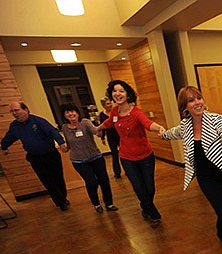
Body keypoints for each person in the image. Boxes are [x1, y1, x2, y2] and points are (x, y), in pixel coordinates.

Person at [160, 86, 222, 254]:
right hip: (206, 178)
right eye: (191, 100)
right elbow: (174, 133)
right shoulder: (185, 126)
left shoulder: (216, 119)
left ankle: (221, 231)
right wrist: (162, 135)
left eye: (198, 98)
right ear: (185, 107)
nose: (197, 102)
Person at [96, 80, 166, 228]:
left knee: (149, 188)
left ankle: (146, 207)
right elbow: (109, 122)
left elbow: (147, 123)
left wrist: (159, 127)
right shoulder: (115, 111)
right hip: (127, 157)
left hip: (145, 155)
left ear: (127, 94)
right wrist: (98, 128)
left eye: (121, 91)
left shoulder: (136, 112)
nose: (117, 94)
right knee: (138, 187)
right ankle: (154, 215)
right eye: (115, 91)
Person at [0, 102, 70, 211]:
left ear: (26, 110)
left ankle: (63, 198)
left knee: (58, 178)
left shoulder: (38, 121)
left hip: (51, 155)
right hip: (35, 158)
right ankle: (60, 202)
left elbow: (53, 131)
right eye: (12, 111)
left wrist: (61, 143)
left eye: (16, 110)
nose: (14, 113)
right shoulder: (14, 126)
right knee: (47, 181)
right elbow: (9, 137)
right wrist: (4, 147)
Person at [59, 103, 119, 214]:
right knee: (91, 182)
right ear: (64, 115)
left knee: (104, 181)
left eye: (73, 111)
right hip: (79, 161)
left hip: (95, 157)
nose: (71, 114)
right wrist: (64, 148)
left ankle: (109, 203)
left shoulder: (85, 122)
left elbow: (97, 132)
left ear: (77, 113)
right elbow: (68, 144)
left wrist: (100, 130)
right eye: (67, 112)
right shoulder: (64, 128)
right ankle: (96, 204)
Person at [98, 97, 122, 178]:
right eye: (108, 103)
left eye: (110, 103)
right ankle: (117, 172)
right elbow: (103, 126)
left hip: (120, 135)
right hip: (111, 136)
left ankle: (128, 169)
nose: (110, 105)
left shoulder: (116, 111)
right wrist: (102, 138)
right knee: (114, 154)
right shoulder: (102, 114)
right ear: (104, 106)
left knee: (124, 153)